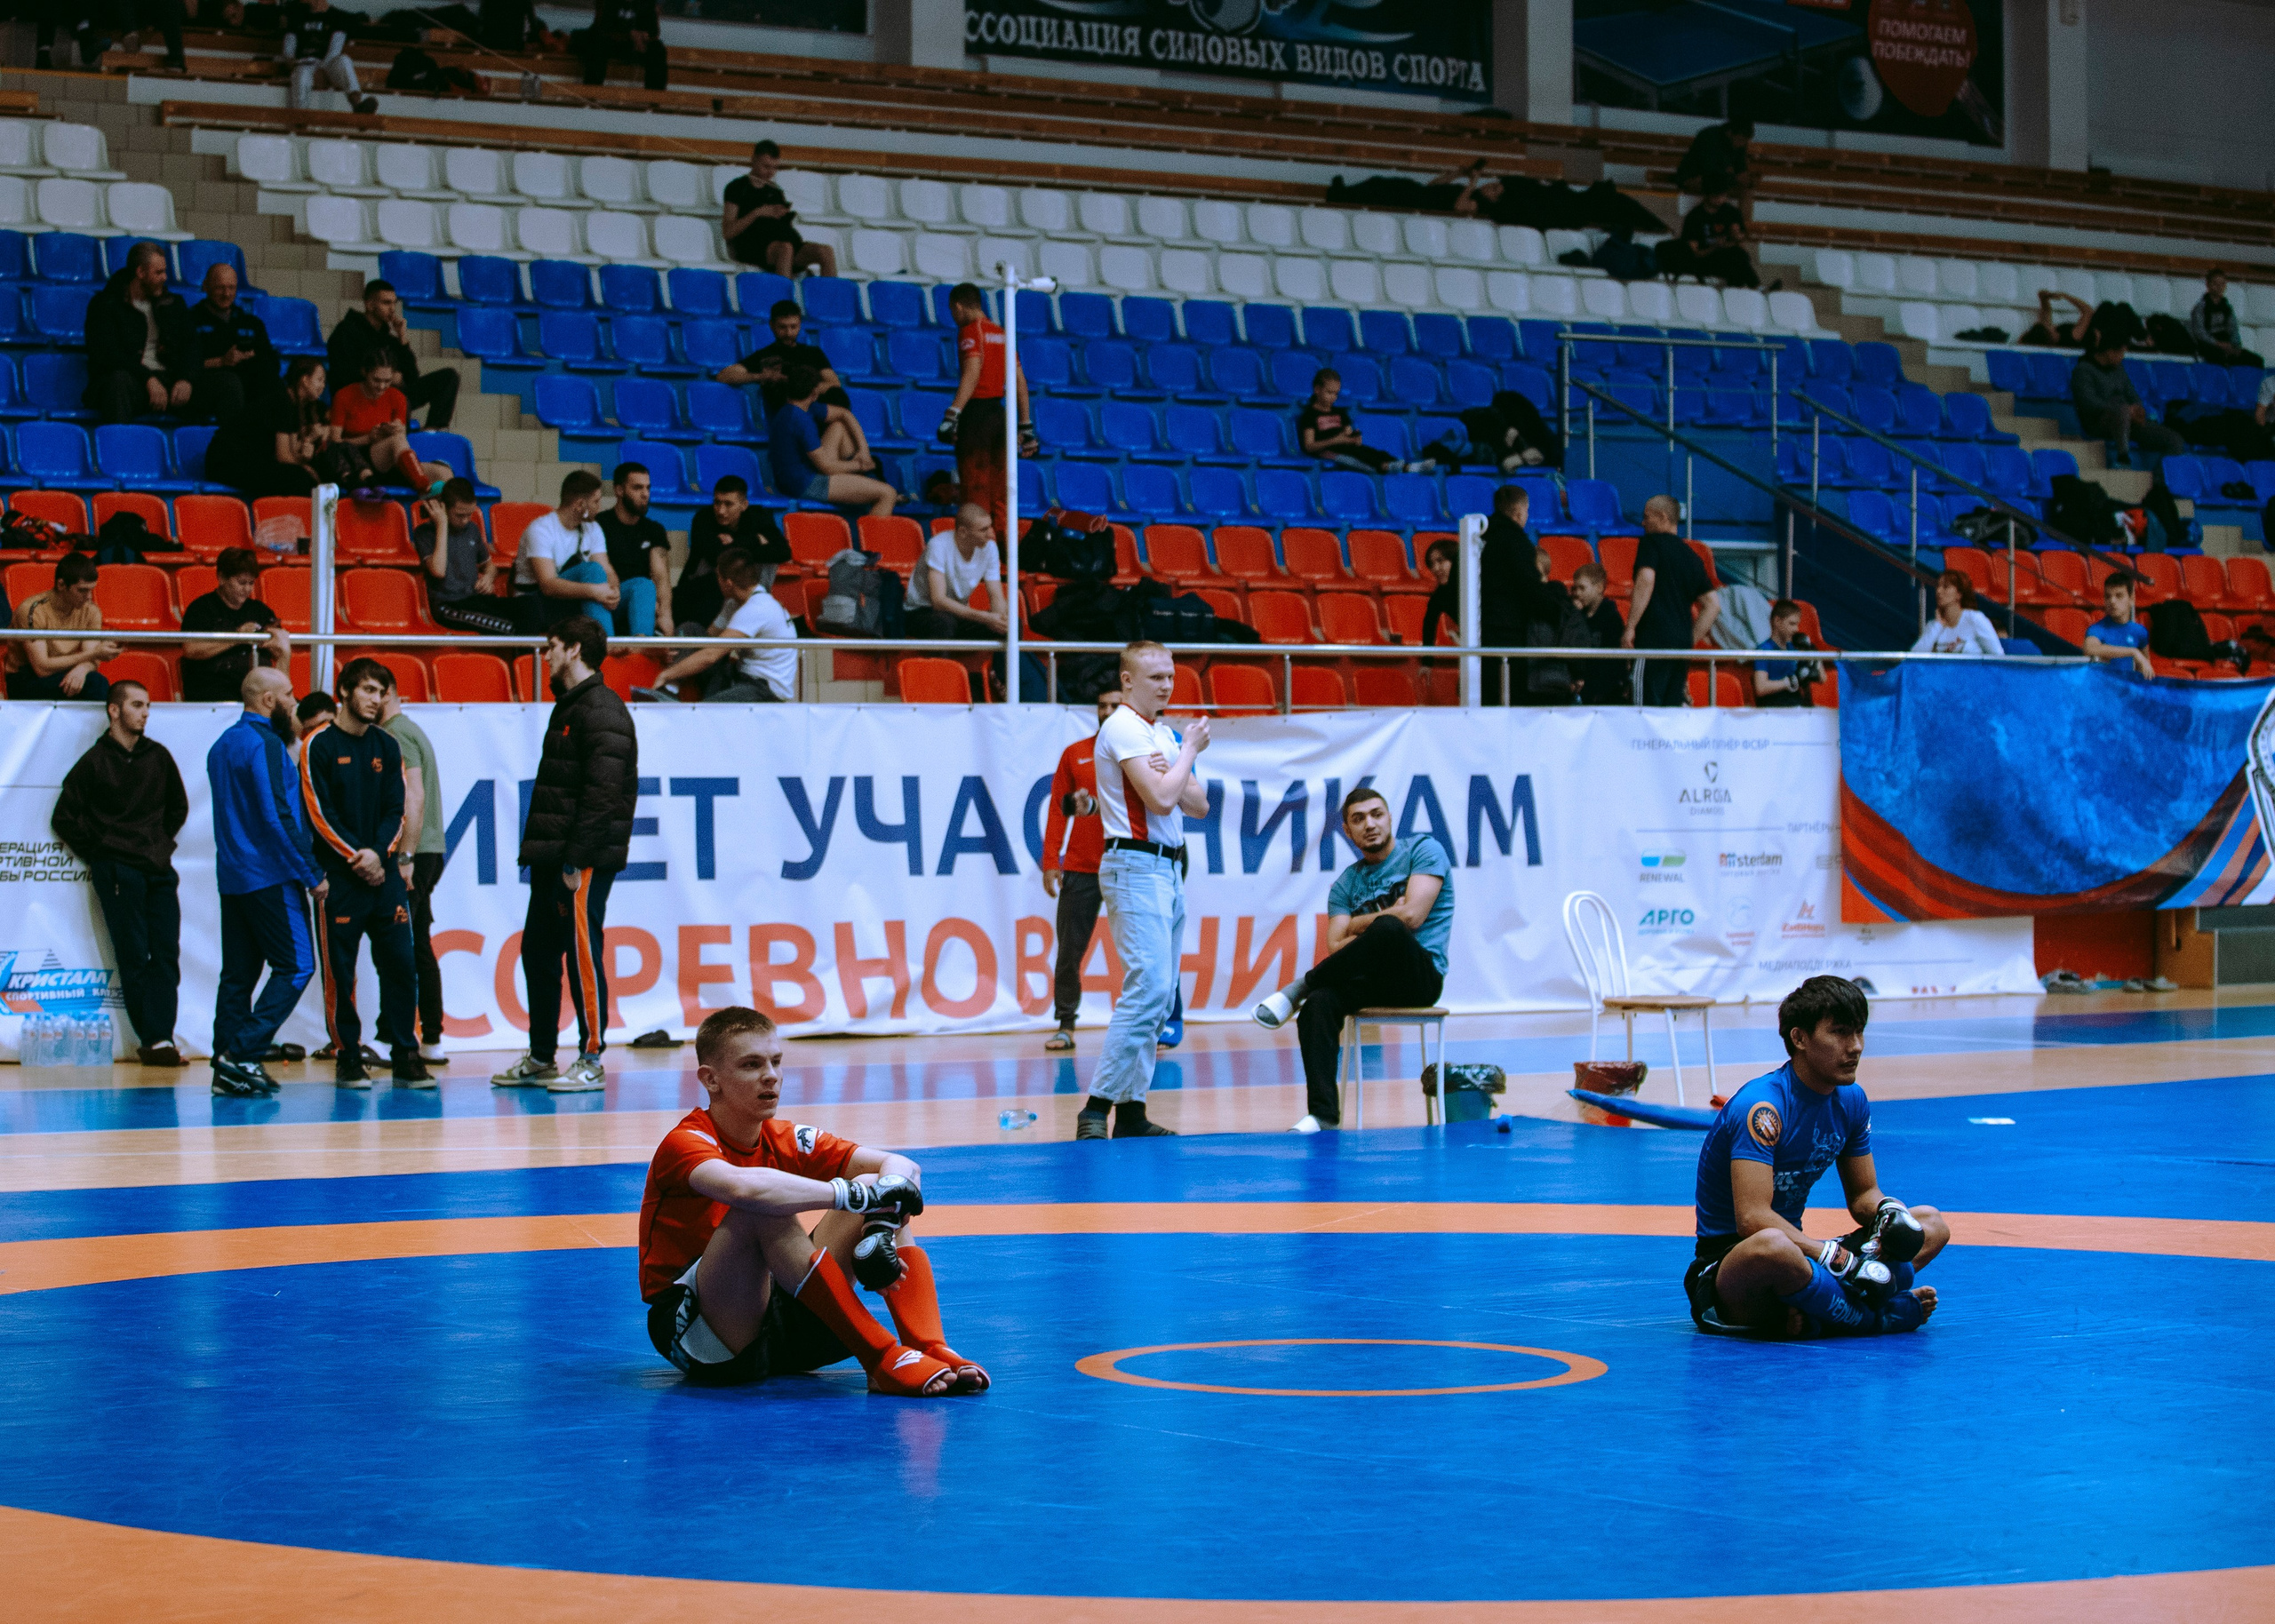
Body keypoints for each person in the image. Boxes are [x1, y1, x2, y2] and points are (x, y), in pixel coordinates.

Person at [637, 1005, 983, 1395]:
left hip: (780, 1315)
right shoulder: (685, 1142)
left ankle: (927, 1344)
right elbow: (743, 1188)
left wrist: (881, 1225)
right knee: (764, 1207)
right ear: (711, 1080)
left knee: (880, 1182)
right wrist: (851, 1195)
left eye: (776, 1062)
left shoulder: (784, 1136)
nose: (770, 1076)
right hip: (702, 1332)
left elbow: (902, 1166)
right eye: (751, 1065)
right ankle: (880, 1357)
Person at [1684, 975, 1947, 1339]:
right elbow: (1752, 1219)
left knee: (1928, 1224)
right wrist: (1837, 1259)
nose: (1854, 1047)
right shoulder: (1763, 1108)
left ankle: (1822, 1310)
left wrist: (1889, 1213)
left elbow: (1863, 1196)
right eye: (1839, 1033)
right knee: (1774, 1247)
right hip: (1736, 1264)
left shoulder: (1851, 1100)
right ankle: (1875, 1317)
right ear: (1800, 1038)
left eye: (1859, 1033)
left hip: (1804, 1259)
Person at [1252, 786, 1454, 1134]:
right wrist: (1391, 912)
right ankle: (1323, 1116)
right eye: (1358, 819)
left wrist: (1360, 924)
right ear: (1347, 831)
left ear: (1390, 818)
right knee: (1318, 1005)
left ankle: (1299, 987)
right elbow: (1335, 945)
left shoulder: (1423, 850)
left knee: (1391, 928)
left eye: (1377, 814)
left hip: (1419, 978)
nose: (1370, 824)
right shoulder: (1346, 884)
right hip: (1370, 983)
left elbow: (1412, 918)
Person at [491, 616, 637, 1094]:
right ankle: (540, 1056)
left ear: (574, 650)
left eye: (551, 645)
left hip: (581, 860)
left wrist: (576, 859)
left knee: (582, 954)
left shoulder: (602, 709)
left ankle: (591, 1057)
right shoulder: (572, 706)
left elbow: (605, 793)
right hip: (553, 856)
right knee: (538, 951)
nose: (545, 655)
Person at [1077, 641, 1209, 1141]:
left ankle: (1131, 1111)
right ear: (1127, 680)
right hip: (1135, 865)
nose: (1167, 685)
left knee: (1160, 995)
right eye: (1155, 677)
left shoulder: (1160, 733)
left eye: (1171, 676)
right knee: (1149, 987)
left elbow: (1198, 804)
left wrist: (1176, 766)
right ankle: (1096, 1107)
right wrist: (1189, 753)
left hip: (1168, 869)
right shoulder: (1124, 727)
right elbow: (1162, 796)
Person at [299, 657, 426, 1088]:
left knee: (402, 964)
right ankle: (348, 1056)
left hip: (384, 876)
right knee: (341, 971)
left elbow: (398, 807)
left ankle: (407, 1053)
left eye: (382, 692)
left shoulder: (387, 745)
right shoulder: (318, 744)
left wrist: (381, 854)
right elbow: (318, 811)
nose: (378, 699)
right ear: (346, 691)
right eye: (370, 690)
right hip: (340, 878)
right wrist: (359, 855)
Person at [51, 679, 190, 1068]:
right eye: (137, 705)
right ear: (114, 710)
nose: (146, 712)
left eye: (148, 705)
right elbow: (64, 816)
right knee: (133, 954)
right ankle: (155, 1039)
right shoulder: (95, 761)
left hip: (158, 869)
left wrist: (158, 844)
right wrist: (101, 852)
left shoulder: (158, 756)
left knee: (165, 954)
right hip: (117, 871)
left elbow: (177, 808)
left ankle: (162, 1035)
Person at [206, 667, 323, 1097]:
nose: (295, 702)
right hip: (271, 875)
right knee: (297, 966)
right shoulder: (267, 745)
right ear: (269, 701)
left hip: (234, 877)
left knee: (237, 975)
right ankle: (240, 1053)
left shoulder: (222, 745)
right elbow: (278, 816)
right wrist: (311, 873)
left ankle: (229, 1065)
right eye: (290, 695)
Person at [379, 672, 449, 1067]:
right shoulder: (409, 730)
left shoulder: (397, 735)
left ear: (386, 693)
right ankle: (430, 1035)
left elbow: (414, 796)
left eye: (374, 691)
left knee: (402, 943)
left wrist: (404, 856)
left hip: (415, 851)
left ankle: (392, 1032)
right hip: (426, 850)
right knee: (417, 941)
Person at [1041, 693, 1116, 1053]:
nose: (1107, 712)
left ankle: (1151, 1025)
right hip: (1081, 867)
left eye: (1115, 705)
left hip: (1127, 865)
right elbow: (1059, 810)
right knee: (1069, 951)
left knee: (1140, 952)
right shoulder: (1075, 753)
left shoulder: (1139, 751)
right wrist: (1051, 861)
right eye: (1102, 705)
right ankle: (1066, 1024)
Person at [939, 282, 1035, 543]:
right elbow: (1019, 381)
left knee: (976, 490)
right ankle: (1003, 550)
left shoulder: (972, 331)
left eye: (952, 311)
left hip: (977, 418)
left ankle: (980, 556)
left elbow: (972, 371)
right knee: (999, 492)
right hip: (1000, 417)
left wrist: (952, 414)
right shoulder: (1002, 333)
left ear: (958, 306)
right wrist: (1026, 424)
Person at [639, 547, 795, 703]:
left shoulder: (757, 607)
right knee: (691, 629)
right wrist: (672, 650)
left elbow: (711, 655)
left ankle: (669, 685)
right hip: (740, 674)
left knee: (709, 712)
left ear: (728, 583)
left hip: (764, 688)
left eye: (718, 577)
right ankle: (670, 689)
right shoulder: (735, 604)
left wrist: (666, 674)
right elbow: (707, 639)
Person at [83, 242, 205, 426]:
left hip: (169, 381)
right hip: (133, 383)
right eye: (159, 273)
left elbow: (192, 345)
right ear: (140, 273)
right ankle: (118, 448)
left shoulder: (172, 303)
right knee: (119, 382)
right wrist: (147, 378)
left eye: (165, 272)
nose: (165, 278)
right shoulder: (106, 304)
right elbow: (108, 355)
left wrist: (186, 379)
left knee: (226, 384)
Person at [1624, 496, 1720, 707]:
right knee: (1671, 713)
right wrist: (1690, 639)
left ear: (1662, 517)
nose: (1642, 522)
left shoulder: (1651, 543)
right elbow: (1713, 604)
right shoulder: (1692, 556)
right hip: (1681, 647)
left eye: (1646, 517)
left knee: (1643, 712)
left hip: (1652, 641)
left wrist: (1630, 627)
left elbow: (1646, 580)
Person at [327, 279, 459, 430]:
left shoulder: (388, 339)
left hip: (390, 394)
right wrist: (385, 379)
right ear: (370, 305)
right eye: (386, 303)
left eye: (394, 303)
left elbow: (412, 377)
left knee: (449, 377)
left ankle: (432, 432)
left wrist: (402, 338)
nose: (392, 309)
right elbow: (342, 375)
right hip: (361, 397)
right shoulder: (346, 332)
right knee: (400, 399)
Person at [768, 363, 895, 516]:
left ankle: (867, 479)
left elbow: (843, 413)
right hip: (805, 484)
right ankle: (873, 538)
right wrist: (860, 465)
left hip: (796, 478)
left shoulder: (792, 410)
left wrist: (864, 451)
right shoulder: (800, 420)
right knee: (887, 493)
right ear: (815, 392)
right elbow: (827, 468)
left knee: (839, 426)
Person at [204, 354, 329, 498]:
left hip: (252, 460)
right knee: (298, 479)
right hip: (227, 460)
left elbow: (292, 454)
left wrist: (307, 445)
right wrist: (305, 468)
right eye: (319, 380)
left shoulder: (295, 406)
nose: (322, 386)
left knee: (304, 476)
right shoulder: (281, 401)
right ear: (305, 380)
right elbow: (283, 457)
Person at [676, 474, 790, 633]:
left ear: (744, 505)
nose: (721, 511)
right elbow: (715, 557)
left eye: (728, 504)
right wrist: (756, 540)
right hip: (703, 588)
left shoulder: (759, 517)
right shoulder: (703, 518)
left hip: (741, 586)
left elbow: (783, 552)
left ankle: (756, 599)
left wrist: (735, 543)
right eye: (717, 503)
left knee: (762, 562)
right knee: (724, 569)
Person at [514, 469, 623, 629]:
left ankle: (641, 647)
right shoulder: (540, 529)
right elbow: (548, 585)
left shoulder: (593, 528)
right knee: (592, 570)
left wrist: (613, 591)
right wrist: (595, 591)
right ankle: (606, 645)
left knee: (641, 586)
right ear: (579, 505)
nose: (599, 508)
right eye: (596, 502)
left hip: (575, 599)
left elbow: (607, 569)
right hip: (539, 603)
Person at [179, 546, 290, 703]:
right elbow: (191, 650)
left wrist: (275, 639)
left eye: (251, 583)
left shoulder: (260, 611)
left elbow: (278, 651)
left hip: (258, 697)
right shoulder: (201, 609)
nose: (247, 589)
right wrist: (237, 637)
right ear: (222, 578)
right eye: (241, 582)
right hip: (212, 696)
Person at [5, 554, 119, 703]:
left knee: (113, 690)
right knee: (96, 684)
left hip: (65, 672)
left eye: (91, 590)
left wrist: (83, 669)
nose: (89, 597)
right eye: (82, 591)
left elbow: (91, 657)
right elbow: (41, 668)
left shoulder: (91, 611)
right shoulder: (32, 610)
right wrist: (94, 654)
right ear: (61, 585)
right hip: (26, 678)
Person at [414, 479, 519, 634]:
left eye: (469, 515)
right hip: (448, 605)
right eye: (459, 515)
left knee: (525, 611)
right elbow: (438, 571)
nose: (465, 520)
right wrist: (441, 524)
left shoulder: (472, 529)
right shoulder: (424, 533)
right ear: (443, 508)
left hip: (474, 599)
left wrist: (488, 578)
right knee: (506, 627)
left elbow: (489, 566)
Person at [719, 139, 834, 278]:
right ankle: (784, 298)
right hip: (753, 244)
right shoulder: (737, 188)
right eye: (766, 167)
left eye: (774, 168)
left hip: (781, 241)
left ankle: (831, 298)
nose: (770, 172)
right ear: (753, 160)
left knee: (825, 252)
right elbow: (728, 231)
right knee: (785, 249)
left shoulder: (775, 190)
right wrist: (758, 212)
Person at [327, 353, 434, 498]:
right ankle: (422, 485)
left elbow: (401, 441)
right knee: (397, 440)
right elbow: (334, 443)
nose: (381, 386)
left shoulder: (398, 397)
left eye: (387, 381)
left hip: (390, 459)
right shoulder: (344, 396)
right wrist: (368, 438)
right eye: (376, 380)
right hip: (355, 458)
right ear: (365, 372)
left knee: (443, 472)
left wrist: (397, 429)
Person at [716, 299, 843, 417]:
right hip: (787, 412)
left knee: (838, 398)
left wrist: (803, 390)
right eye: (783, 327)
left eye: (793, 327)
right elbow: (724, 376)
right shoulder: (765, 355)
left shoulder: (813, 353)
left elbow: (834, 383)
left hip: (814, 408)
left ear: (800, 324)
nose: (789, 333)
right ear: (772, 325)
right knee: (842, 419)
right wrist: (762, 376)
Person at [188, 262, 280, 423]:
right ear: (206, 286)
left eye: (232, 288)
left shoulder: (251, 322)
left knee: (273, 380)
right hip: (209, 386)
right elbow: (184, 366)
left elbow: (271, 361)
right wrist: (221, 362)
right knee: (230, 384)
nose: (227, 294)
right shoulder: (190, 320)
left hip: (248, 385)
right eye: (220, 288)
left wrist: (253, 357)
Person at [2071, 340, 2184, 471]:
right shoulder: (2083, 370)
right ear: (2109, 352)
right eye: (2121, 352)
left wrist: (2138, 410)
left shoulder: (2119, 369)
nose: (2122, 356)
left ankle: (2160, 483)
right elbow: (2088, 403)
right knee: (2122, 410)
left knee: (2174, 440)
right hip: (2099, 422)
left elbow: (2133, 396)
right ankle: (2123, 457)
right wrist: (2124, 410)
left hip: (2129, 422)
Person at [906, 502, 1007, 641]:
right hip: (922, 612)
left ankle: (1004, 664)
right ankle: (941, 664)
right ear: (963, 532)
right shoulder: (938, 545)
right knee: (944, 623)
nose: (991, 534)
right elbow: (938, 601)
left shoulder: (990, 547)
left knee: (1012, 626)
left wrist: (1001, 620)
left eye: (990, 526)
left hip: (958, 614)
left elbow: (996, 595)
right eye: (984, 530)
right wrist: (986, 618)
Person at [596, 461, 669, 639]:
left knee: (645, 587)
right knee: (642, 585)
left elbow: (661, 576)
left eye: (648, 488)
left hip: (641, 603)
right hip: (605, 602)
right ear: (619, 490)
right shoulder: (599, 525)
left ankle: (640, 646)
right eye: (637, 488)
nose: (645, 494)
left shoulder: (654, 529)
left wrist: (666, 615)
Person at [280, 0, 379, 112]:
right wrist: (292, 64)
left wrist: (322, 71)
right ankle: (301, 116)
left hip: (328, 64)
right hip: (304, 63)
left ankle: (357, 104)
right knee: (301, 74)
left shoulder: (338, 17)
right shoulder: (296, 17)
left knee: (344, 60)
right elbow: (288, 50)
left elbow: (334, 51)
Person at [1296, 369, 1399, 474]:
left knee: (1367, 451)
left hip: (1346, 447)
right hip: (1328, 451)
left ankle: (1395, 463)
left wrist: (1354, 439)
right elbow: (1309, 446)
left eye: (1336, 394)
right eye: (1329, 392)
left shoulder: (1340, 413)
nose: (1333, 397)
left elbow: (1348, 434)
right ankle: (1382, 466)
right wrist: (1335, 440)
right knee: (1361, 461)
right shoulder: (1309, 415)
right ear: (1317, 389)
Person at [1658, 182, 1760, 288]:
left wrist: (1736, 236)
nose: (1720, 200)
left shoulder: (1731, 212)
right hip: (1705, 260)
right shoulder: (1695, 216)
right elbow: (1693, 254)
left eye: (1723, 196)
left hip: (1728, 257)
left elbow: (1743, 245)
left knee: (1739, 257)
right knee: (1737, 258)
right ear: (1707, 195)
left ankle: (1745, 288)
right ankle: (1755, 286)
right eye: (1716, 196)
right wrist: (1715, 247)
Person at [1570, 561, 1631, 705]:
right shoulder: (1577, 616)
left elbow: (1615, 662)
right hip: (1583, 690)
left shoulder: (1611, 619)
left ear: (1599, 588)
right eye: (1575, 588)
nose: (1577, 593)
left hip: (1606, 693)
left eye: (1582, 588)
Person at [575, 0, 666, 91]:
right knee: (597, 45)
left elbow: (654, 31)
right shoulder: (608, 2)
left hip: (634, 46)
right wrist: (629, 34)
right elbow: (602, 26)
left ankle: (655, 98)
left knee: (657, 49)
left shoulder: (646, 3)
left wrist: (644, 36)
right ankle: (591, 92)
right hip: (611, 43)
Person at [1912, 569, 2005, 657]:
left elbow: (1998, 655)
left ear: (1959, 594)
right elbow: (1914, 657)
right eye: (1938, 586)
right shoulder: (1933, 625)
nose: (1938, 591)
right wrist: (1937, 625)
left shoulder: (1974, 619)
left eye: (1946, 587)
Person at [1751, 599, 1824, 708]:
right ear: (1777, 621)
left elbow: (1822, 679)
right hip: (1773, 708)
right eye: (1792, 624)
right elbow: (1760, 688)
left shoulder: (1794, 649)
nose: (1796, 629)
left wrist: (1813, 654)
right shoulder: (1764, 650)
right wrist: (1786, 683)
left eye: (1797, 624)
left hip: (1797, 705)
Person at [2084, 572, 2155, 679]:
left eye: (2119, 596)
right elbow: (2090, 649)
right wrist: (2133, 652)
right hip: (2104, 689)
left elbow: (2145, 666)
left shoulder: (2140, 631)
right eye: (2108, 596)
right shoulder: (2098, 629)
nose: (2112, 601)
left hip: (2126, 690)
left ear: (2131, 599)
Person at [2189, 269, 2263, 368]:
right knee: (2221, 358)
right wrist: (2218, 344)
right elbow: (2200, 333)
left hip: (2227, 345)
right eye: (2215, 284)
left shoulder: (2227, 308)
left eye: (2222, 284)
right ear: (2208, 285)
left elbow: (2233, 329)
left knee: (2256, 360)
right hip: (2209, 346)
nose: (2219, 287)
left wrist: (2234, 347)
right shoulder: (2200, 308)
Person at [1673, 117, 1755, 200]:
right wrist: (1731, 176)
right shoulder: (1709, 137)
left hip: (1722, 181)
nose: (1741, 144)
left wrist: (1746, 180)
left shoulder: (1740, 146)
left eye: (1744, 141)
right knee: (1716, 186)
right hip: (1695, 178)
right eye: (1740, 140)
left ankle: (1739, 213)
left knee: (1746, 192)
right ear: (1730, 133)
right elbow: (1708, 169)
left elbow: (1740, 169)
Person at [1417, 536, 1458, 651]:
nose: (1435, 569)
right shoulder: (1440, 595)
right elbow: (1429, 626)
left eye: (1440, 561)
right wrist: (1427, 663)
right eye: (1431, 564)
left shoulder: (1479, 584)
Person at [2017, 289, 2095, 349]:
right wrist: (2065, 296)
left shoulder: (2053, 335)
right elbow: (2088, 312)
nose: (2046, 324)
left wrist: (2043, 298)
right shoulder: (2071, 337)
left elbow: (2046, 312)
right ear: (2048, 334)